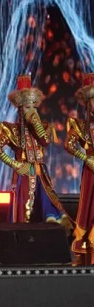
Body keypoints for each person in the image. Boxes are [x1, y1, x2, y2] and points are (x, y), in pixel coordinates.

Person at [0, 74, 73, 232]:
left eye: (33, 107)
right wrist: (15, 164)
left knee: (48, 203)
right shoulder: (12, 130)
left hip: (40, 171)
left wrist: (36, 124)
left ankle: (51, 227)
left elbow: (46, 142)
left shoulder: (43, 127)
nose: (31, 111)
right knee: (24, 209)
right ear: (20, 109)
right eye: (27, 108)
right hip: (24, 172)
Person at [64, 73, 94, 264]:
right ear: (88, 103)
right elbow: (68, 145)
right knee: (89, 207)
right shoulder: (80, 125)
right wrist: (86, 158)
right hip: (91, 172)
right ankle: (87, 250)